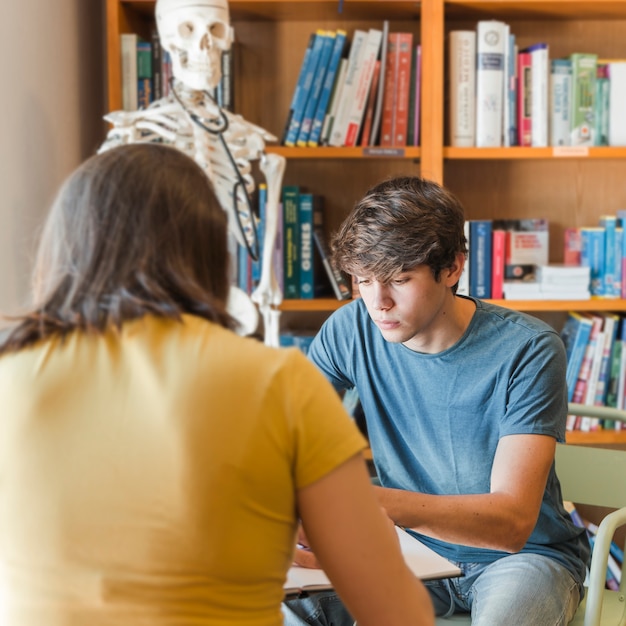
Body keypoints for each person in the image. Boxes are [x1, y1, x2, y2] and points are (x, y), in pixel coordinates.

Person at [0, 145, 434, 626]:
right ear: (210, 253)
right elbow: (396, 613)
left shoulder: (10, 375)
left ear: (63, 248)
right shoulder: (278, 384)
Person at [283, 176, 591, 626]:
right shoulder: (350, 329)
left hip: (522, 559)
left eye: (399, 280)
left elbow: (511, 524)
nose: (378, 303)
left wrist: (372, 503)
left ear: (452, 268)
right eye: (363, 281)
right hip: (408, 553)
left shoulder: (529, 349)